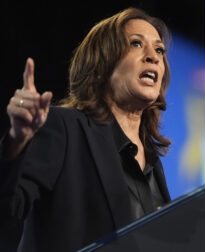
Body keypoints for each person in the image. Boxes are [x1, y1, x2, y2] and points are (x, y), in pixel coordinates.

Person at [0, 7, 172, 251]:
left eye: (159, 50)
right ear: (103, 61)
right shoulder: (64, 128)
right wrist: (16, 143)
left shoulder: (154, 164)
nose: (153, 57)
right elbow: (8, 212)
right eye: (136, 44)